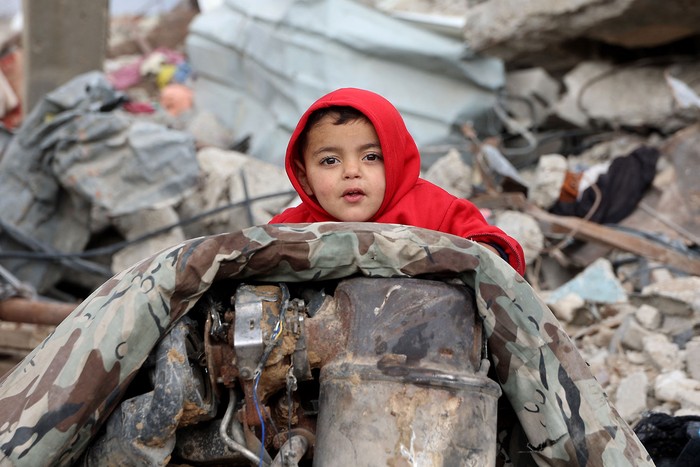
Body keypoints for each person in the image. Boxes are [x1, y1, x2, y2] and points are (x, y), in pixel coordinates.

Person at [269, 87, 525, 275]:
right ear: (304, 177)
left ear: (395, 160)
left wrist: (480, 255)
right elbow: (254, 258)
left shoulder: (433, 210)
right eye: (330, 161)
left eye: (371, 157)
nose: (351, 171)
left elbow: (498, 246)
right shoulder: (292, 229)